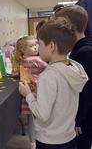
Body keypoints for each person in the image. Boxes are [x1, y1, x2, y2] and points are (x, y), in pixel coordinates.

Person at [19, 17, 88, 149]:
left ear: (51, 46)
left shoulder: (48, 75)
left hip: (50, 141)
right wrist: (38, 91)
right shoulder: (73, 67)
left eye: (39, 43)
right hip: (69, 137)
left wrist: (28, 94)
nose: (37, 47)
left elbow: (42, 115)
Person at [55, 5, 92, 149]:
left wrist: (78, 121)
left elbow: (86, 92)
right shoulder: (78, 49)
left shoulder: (85, 52)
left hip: (85, 118)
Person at [12, 35, 47, 149]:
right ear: (23, 49)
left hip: (27, 93)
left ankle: (32, 143)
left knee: (31, 120)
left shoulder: (20, 61)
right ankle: (41, 139)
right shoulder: (37, 60)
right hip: (38, 91)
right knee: (40, 118)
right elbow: (50, 69)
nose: (36, 47)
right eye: (32, 46)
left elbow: (16, 73)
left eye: (36, 44)